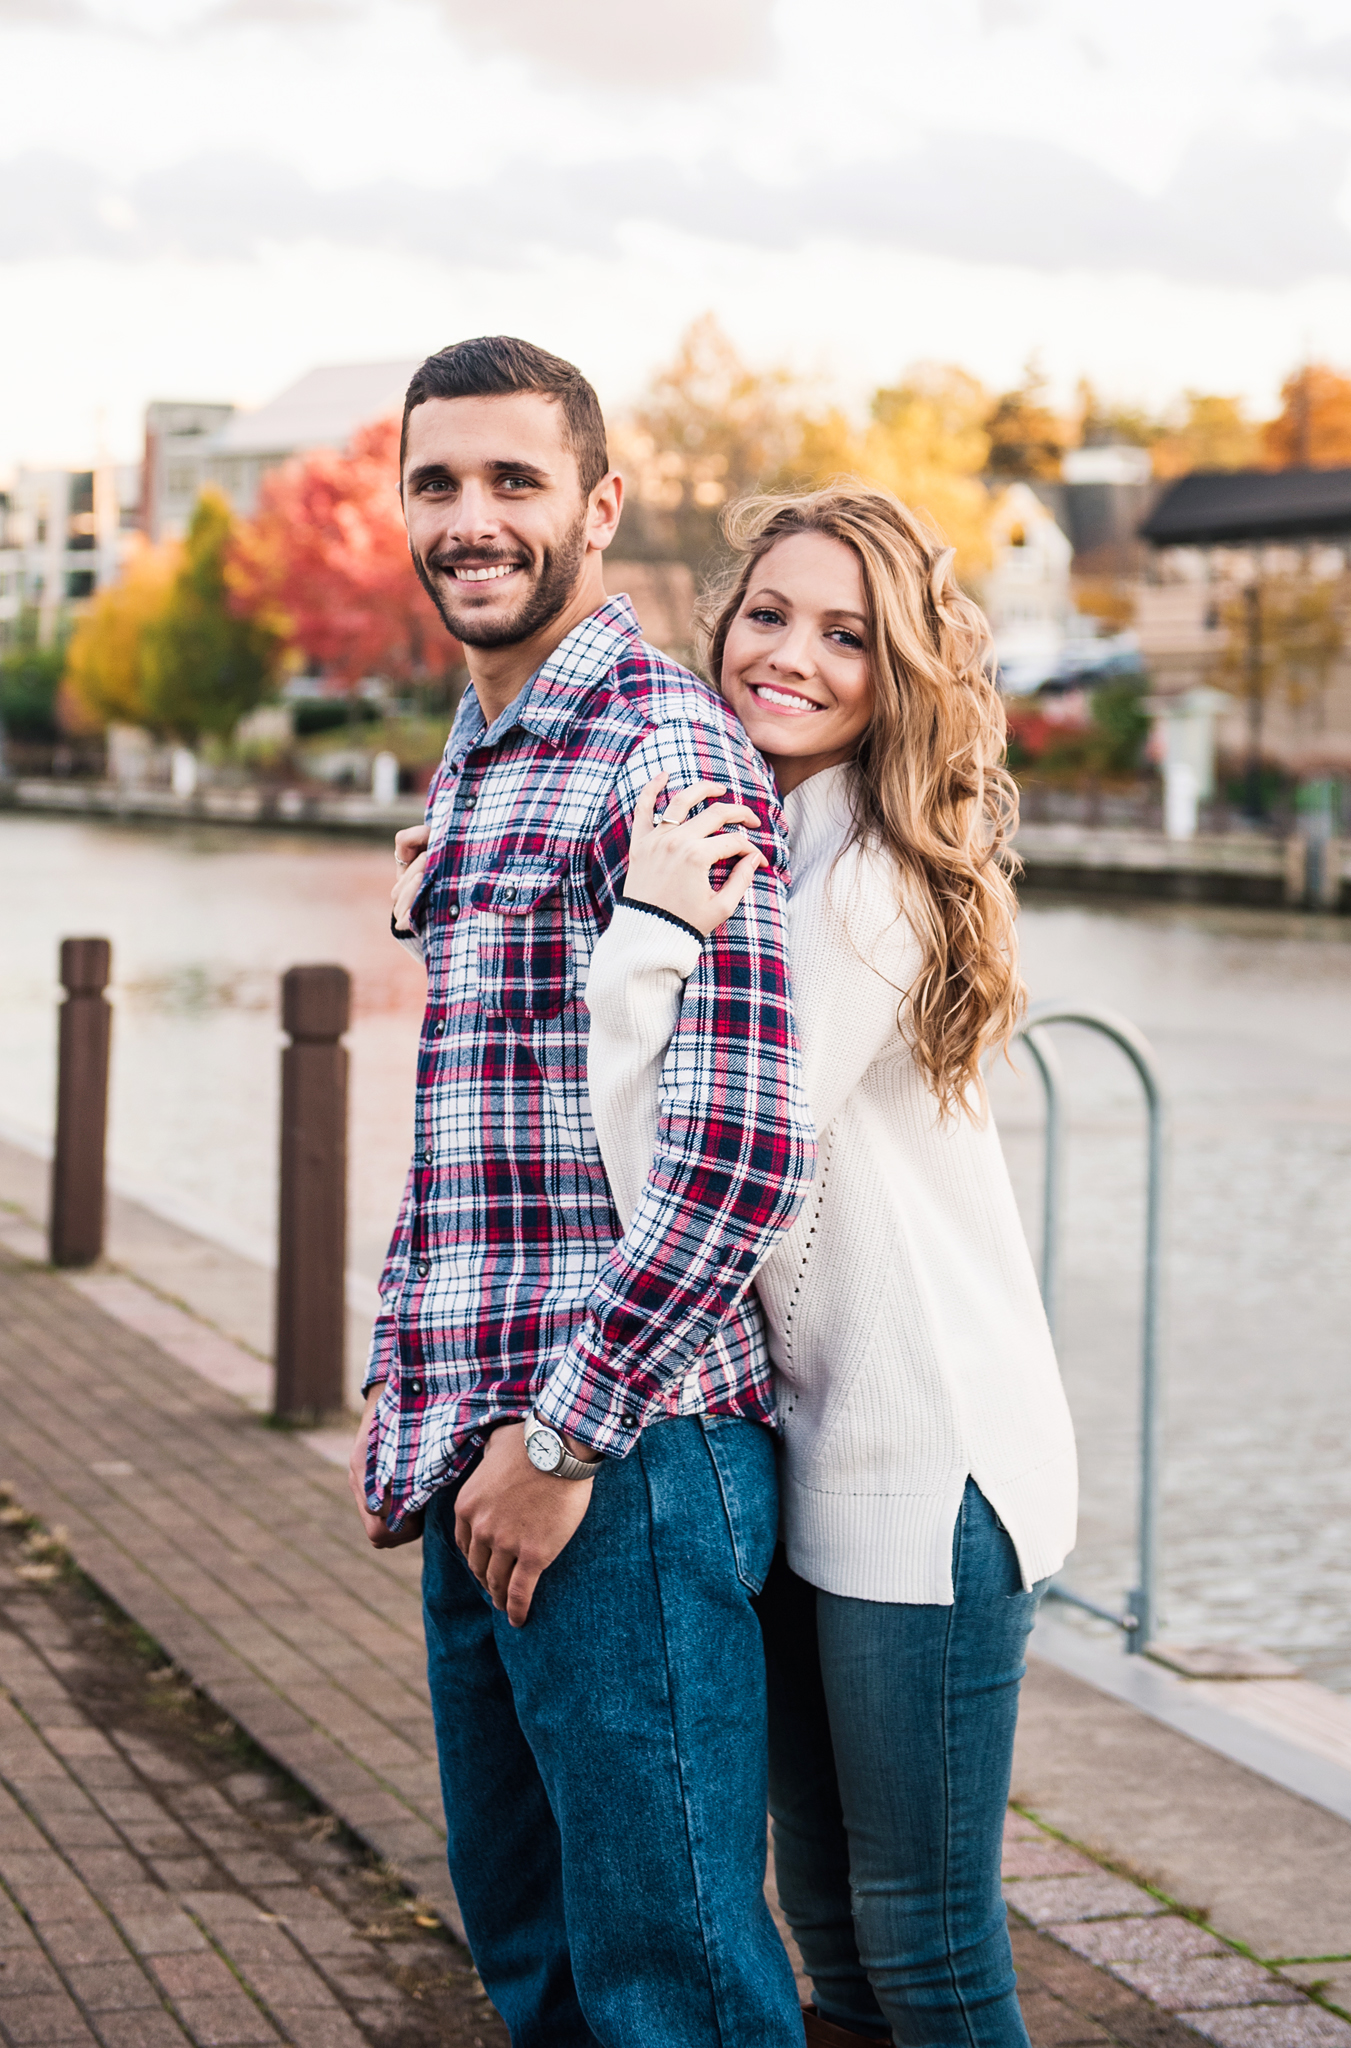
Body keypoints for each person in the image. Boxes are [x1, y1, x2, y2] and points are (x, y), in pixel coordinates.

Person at [345, 335, 818, 2048]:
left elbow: (745, 1151)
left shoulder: (662, 750)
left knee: (675, 1989)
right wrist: (420, 1382)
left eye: (515, 481)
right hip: (483, 1447)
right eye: (438, 482)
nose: (471, 520)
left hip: (619, 1465)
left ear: (599, 506)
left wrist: (558, 1443)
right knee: (539, 1972)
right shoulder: (476, 755)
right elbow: (494, 1122)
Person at [584, 484, 1079, 2048]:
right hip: (810, 1450)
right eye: (769, 615)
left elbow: (703, 1155)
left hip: (927, 1466)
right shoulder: (768, 831)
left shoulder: (868, 882)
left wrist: (644, 936)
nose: (790, 655)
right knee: (836, 1942)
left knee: (925, 1947)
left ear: (901, 672)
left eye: (846, 635)